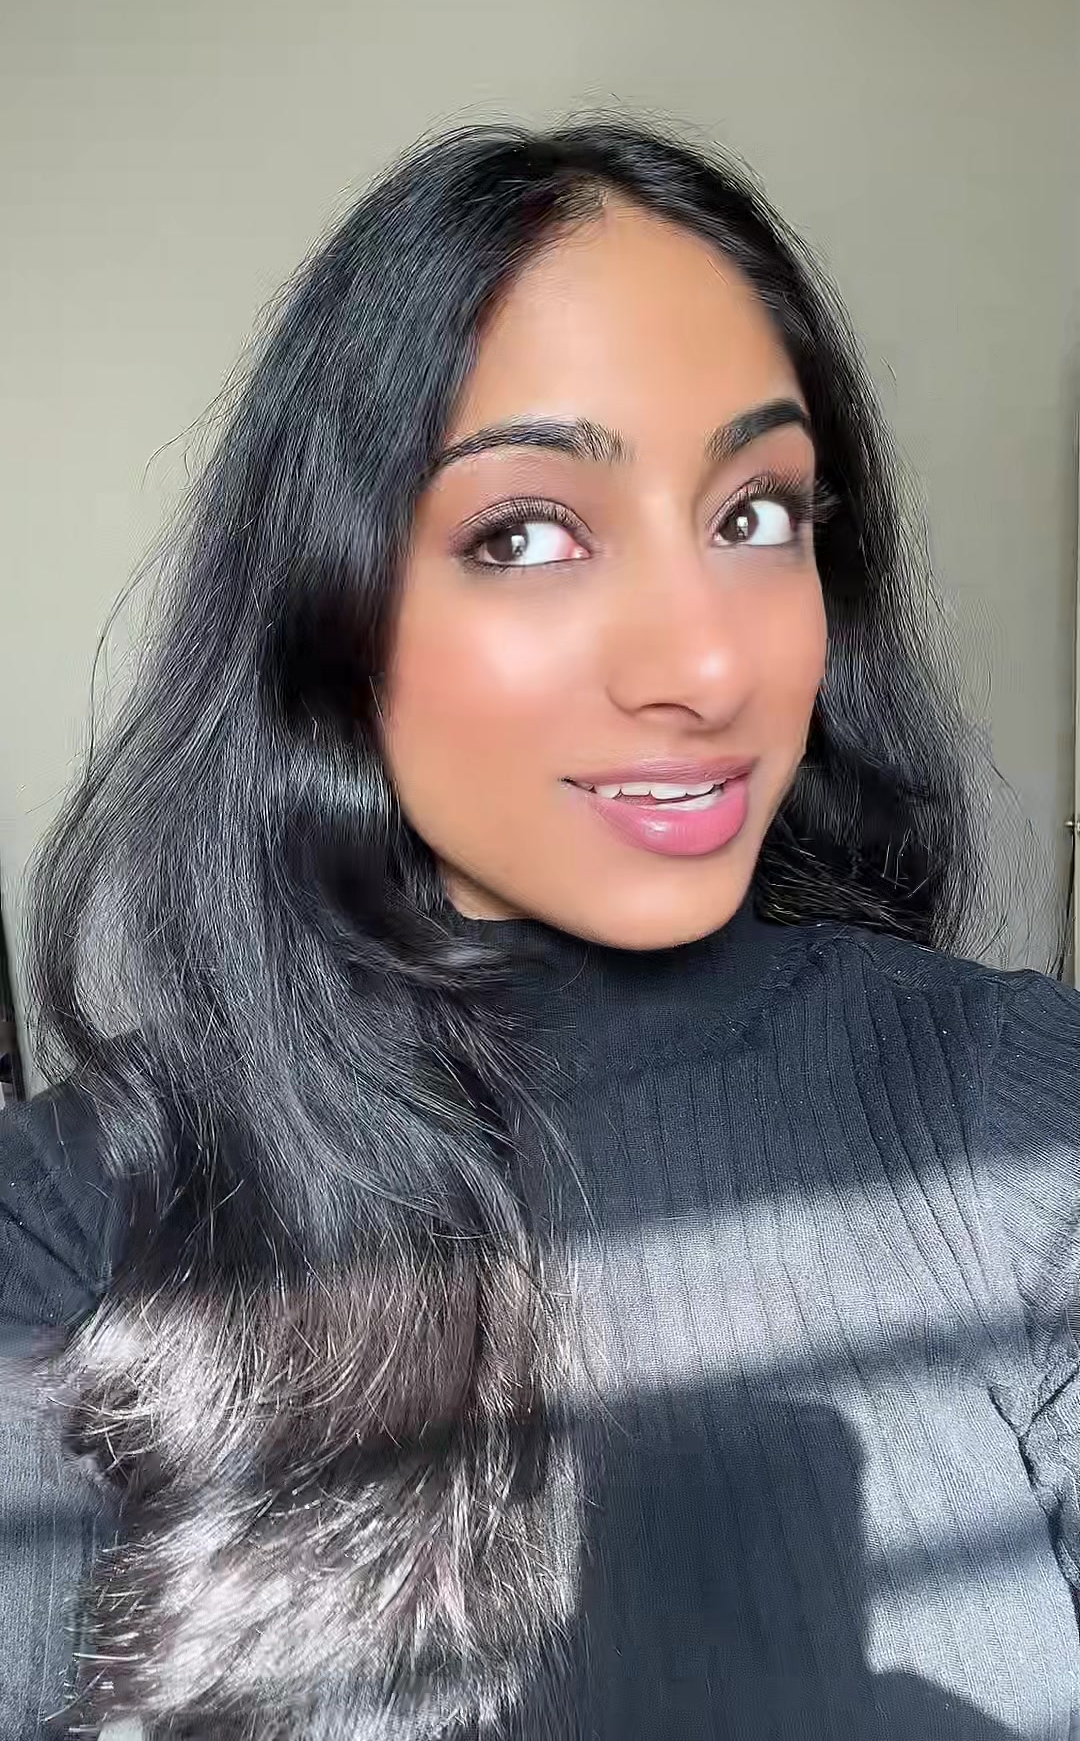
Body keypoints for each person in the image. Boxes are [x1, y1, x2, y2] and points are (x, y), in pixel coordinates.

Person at [0, 121, 1077, 1741]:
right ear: (336, 616)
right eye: (525, 533)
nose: (705, 667)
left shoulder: (1022, 1108)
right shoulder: (70, 1212)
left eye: (757, 514)